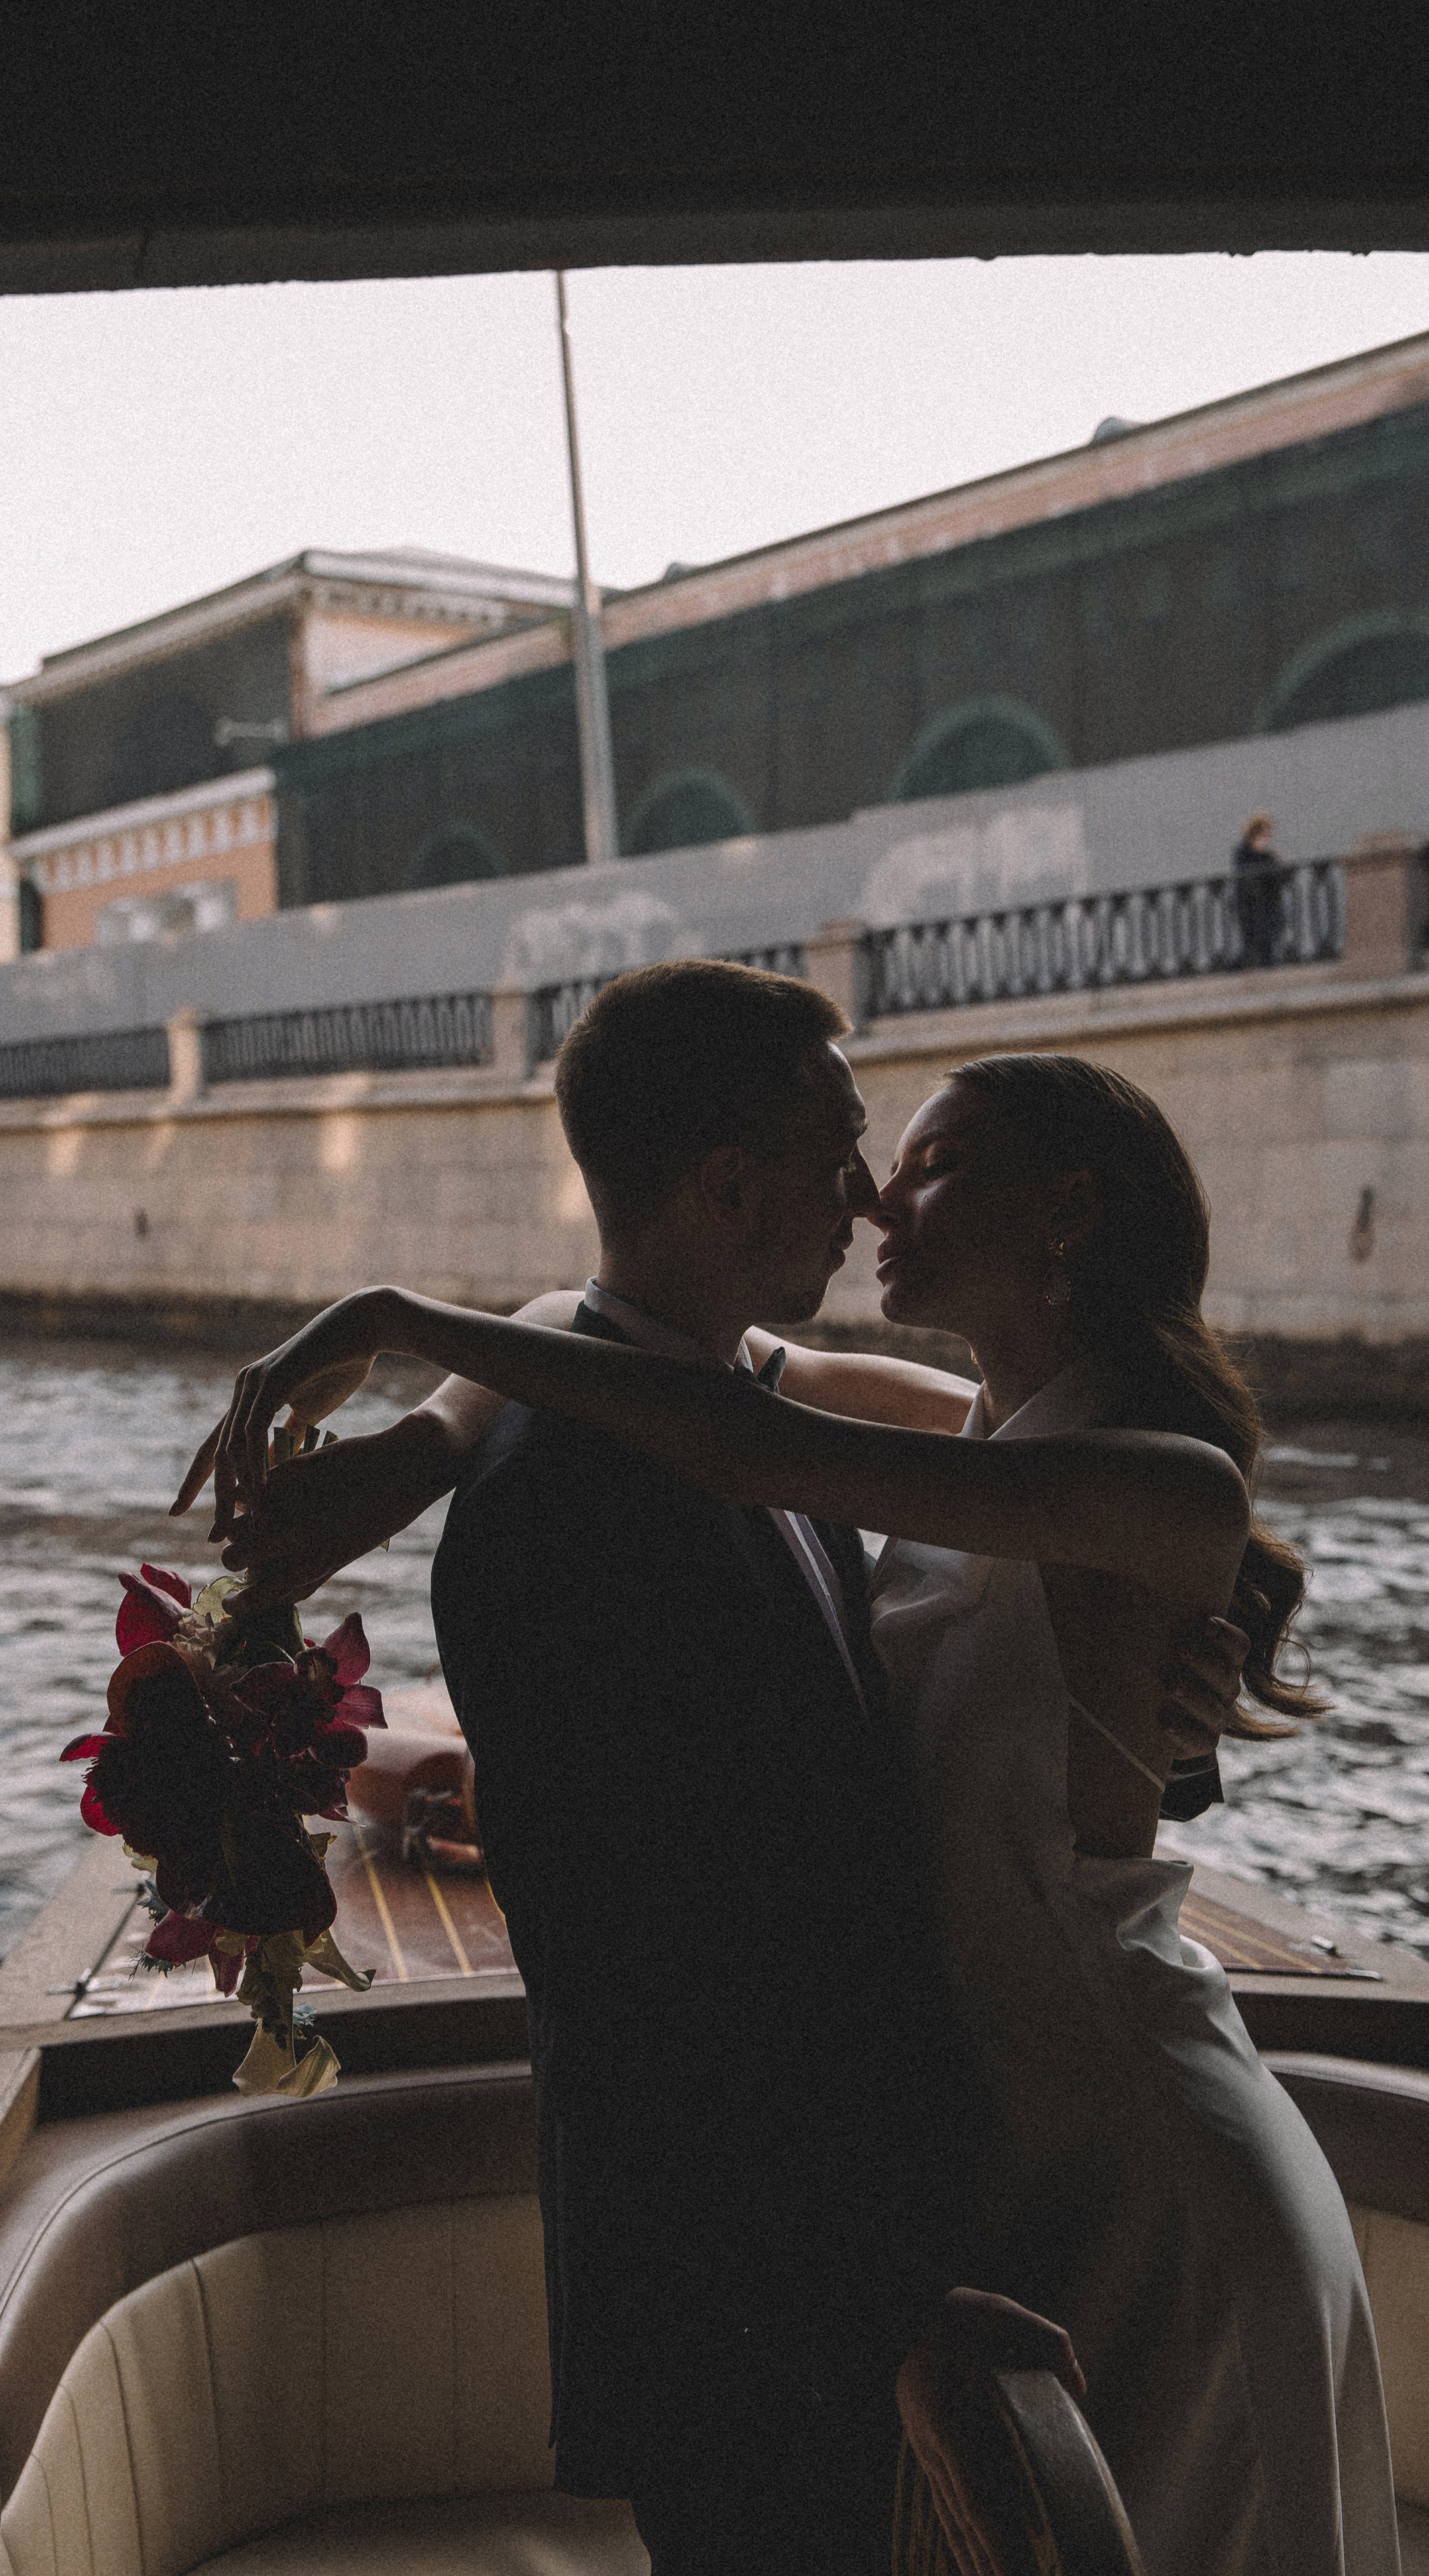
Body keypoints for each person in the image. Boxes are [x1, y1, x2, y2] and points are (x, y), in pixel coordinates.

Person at [173, 966, 1281, 2574]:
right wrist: (864, 2290)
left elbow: (737, 1432)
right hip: (768, 2295)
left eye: (905, 1159)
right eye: (844, 1144)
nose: (869, 1193)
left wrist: (1145, 1737)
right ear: (725, 1184)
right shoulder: (571, 1492)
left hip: (960, 2204)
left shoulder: (765, 1421)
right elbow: (646, 1967)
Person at [1233, 810, 1286, 968]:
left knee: (1267, 941)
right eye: (1264, 835)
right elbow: (1246, 874)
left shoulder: (1267, 856)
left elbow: (1276, 881)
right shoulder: (1242, 853)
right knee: (1253, 941)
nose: (1266, 839)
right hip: (1250, 905)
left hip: (1267, 904)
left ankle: (1265, 966)